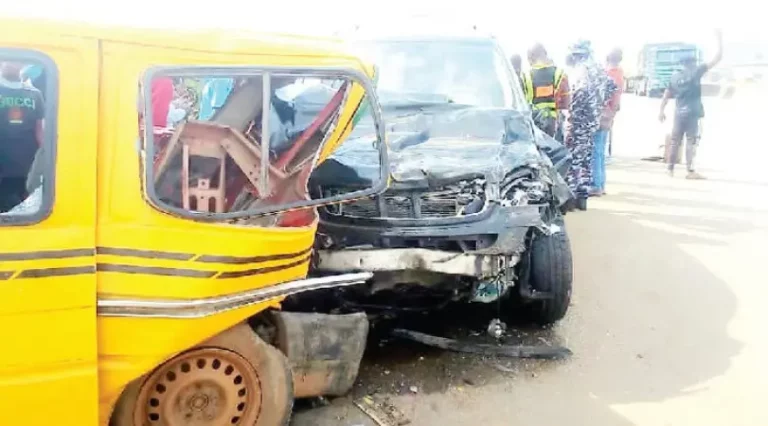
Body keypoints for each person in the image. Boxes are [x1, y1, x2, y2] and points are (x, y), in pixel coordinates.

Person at [659, 30, 723, 179]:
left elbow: (666, 95)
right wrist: (719, 39)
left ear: (682, 64)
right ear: (692, 62)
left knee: (675, 140)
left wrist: (661, 111)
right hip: (693, 112)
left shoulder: (674, 77)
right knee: (691, 141)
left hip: (679, 113)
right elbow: (718, 57)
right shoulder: (696, 71)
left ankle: (670, 169)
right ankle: (690, 171)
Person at [563, 40, 617, 210]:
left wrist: (572, 111)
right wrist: (599, 104)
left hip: (578, 121)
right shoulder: (598, 69)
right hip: (592, 121)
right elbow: (611, 86)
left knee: (573, 160)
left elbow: (580, 91)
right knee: (586, 159)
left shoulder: (582, 69)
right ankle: (582, 198)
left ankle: (571, 199)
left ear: (577, 54)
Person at [0, 61, 45, 212]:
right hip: (2, 163)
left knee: (19, 210)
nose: (12, 65)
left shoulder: (35, 94)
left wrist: (45, 161)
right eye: (7, 61)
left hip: (25, 167)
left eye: (16, 62)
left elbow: (39, 130)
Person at [522, 43, 570, 139]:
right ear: (545, 53)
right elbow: (566, 103)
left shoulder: (525, 76)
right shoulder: (560, 74)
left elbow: (522, 103)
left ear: (530, 57)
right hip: (554, 126)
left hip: (533, 124)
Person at [604, 48, 625, 158]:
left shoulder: (608, 73)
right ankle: (608, 152)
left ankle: (607, 153)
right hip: (614, 105)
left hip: (607, 107)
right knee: (608, 130)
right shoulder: (620, 72)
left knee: (603, 135)